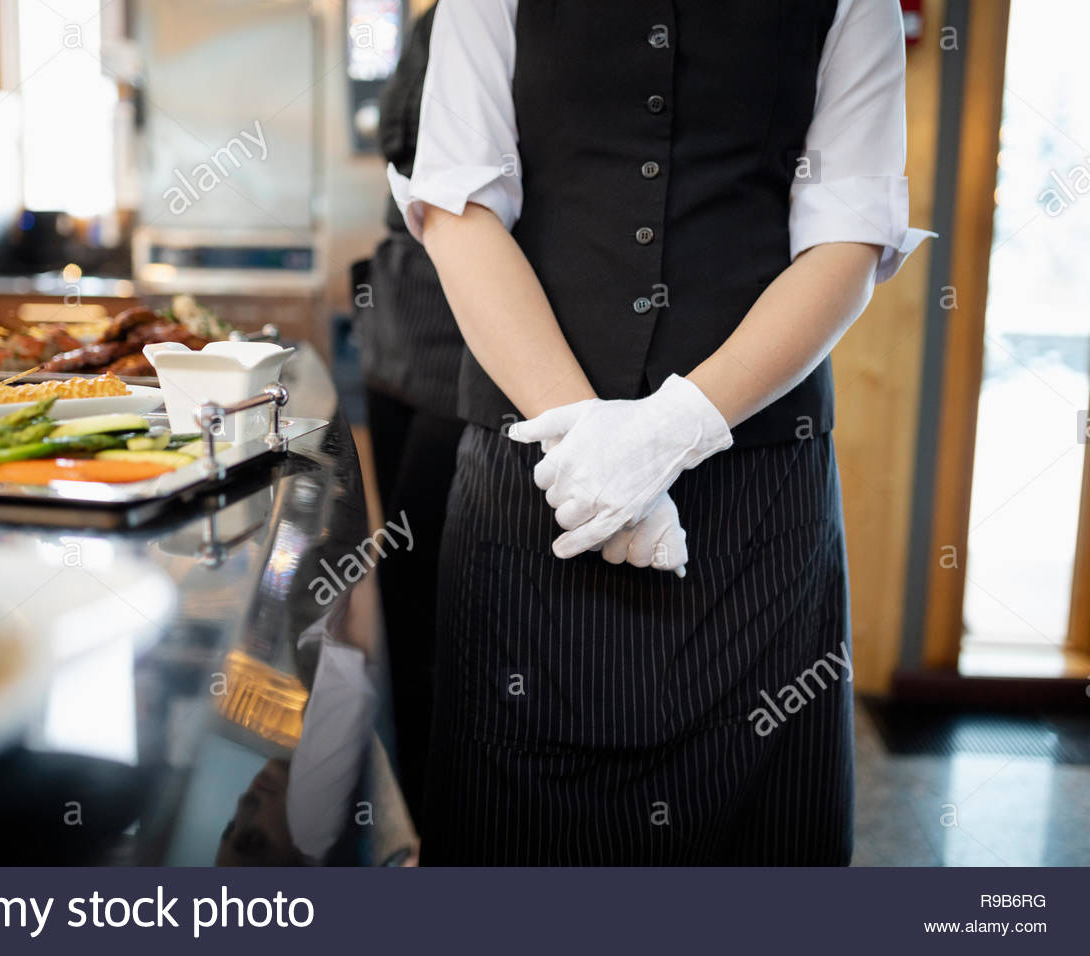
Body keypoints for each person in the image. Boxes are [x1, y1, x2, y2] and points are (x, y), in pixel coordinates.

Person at [388, 0, 932, 864]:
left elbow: (849, 231)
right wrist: (593, 452)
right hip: (535, 485)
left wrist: (671, 432)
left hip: (753, 496)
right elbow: (459, 209)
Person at [353, 2, 464, 828]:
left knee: (431, 595)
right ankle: (419, 810)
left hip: (463, 360)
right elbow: (404, 152)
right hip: (404, 343)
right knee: (405, 581)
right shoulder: (438, 21)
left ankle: (434, 812)